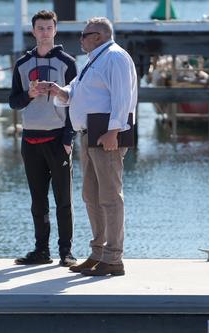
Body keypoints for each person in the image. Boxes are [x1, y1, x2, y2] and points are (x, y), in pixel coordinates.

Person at [50, 17, 137, 276]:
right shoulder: (94, 60)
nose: (80, 39)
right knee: (91, 196)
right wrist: (59, 92)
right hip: (89, 135)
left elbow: (124, 97)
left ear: (97, 36)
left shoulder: (116, 57)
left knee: (110, 197)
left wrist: (114, 132)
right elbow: (76, 92)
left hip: (105, 135)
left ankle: (113, 258)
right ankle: (98, 252)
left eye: (84, 34)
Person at [9, 10, 78, 266]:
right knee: (38, 200)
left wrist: (69, 138)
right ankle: (41, 251)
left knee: (63, 201)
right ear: (33, 31)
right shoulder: (22, 64)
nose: (45, 33)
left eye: (49, 28)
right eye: (40, 28)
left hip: (58, 139)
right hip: (30, 140)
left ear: (55, 30)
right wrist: (28, 94)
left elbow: (75, 103)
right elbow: (13, 102)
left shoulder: (67, 62)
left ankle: (66, 252)